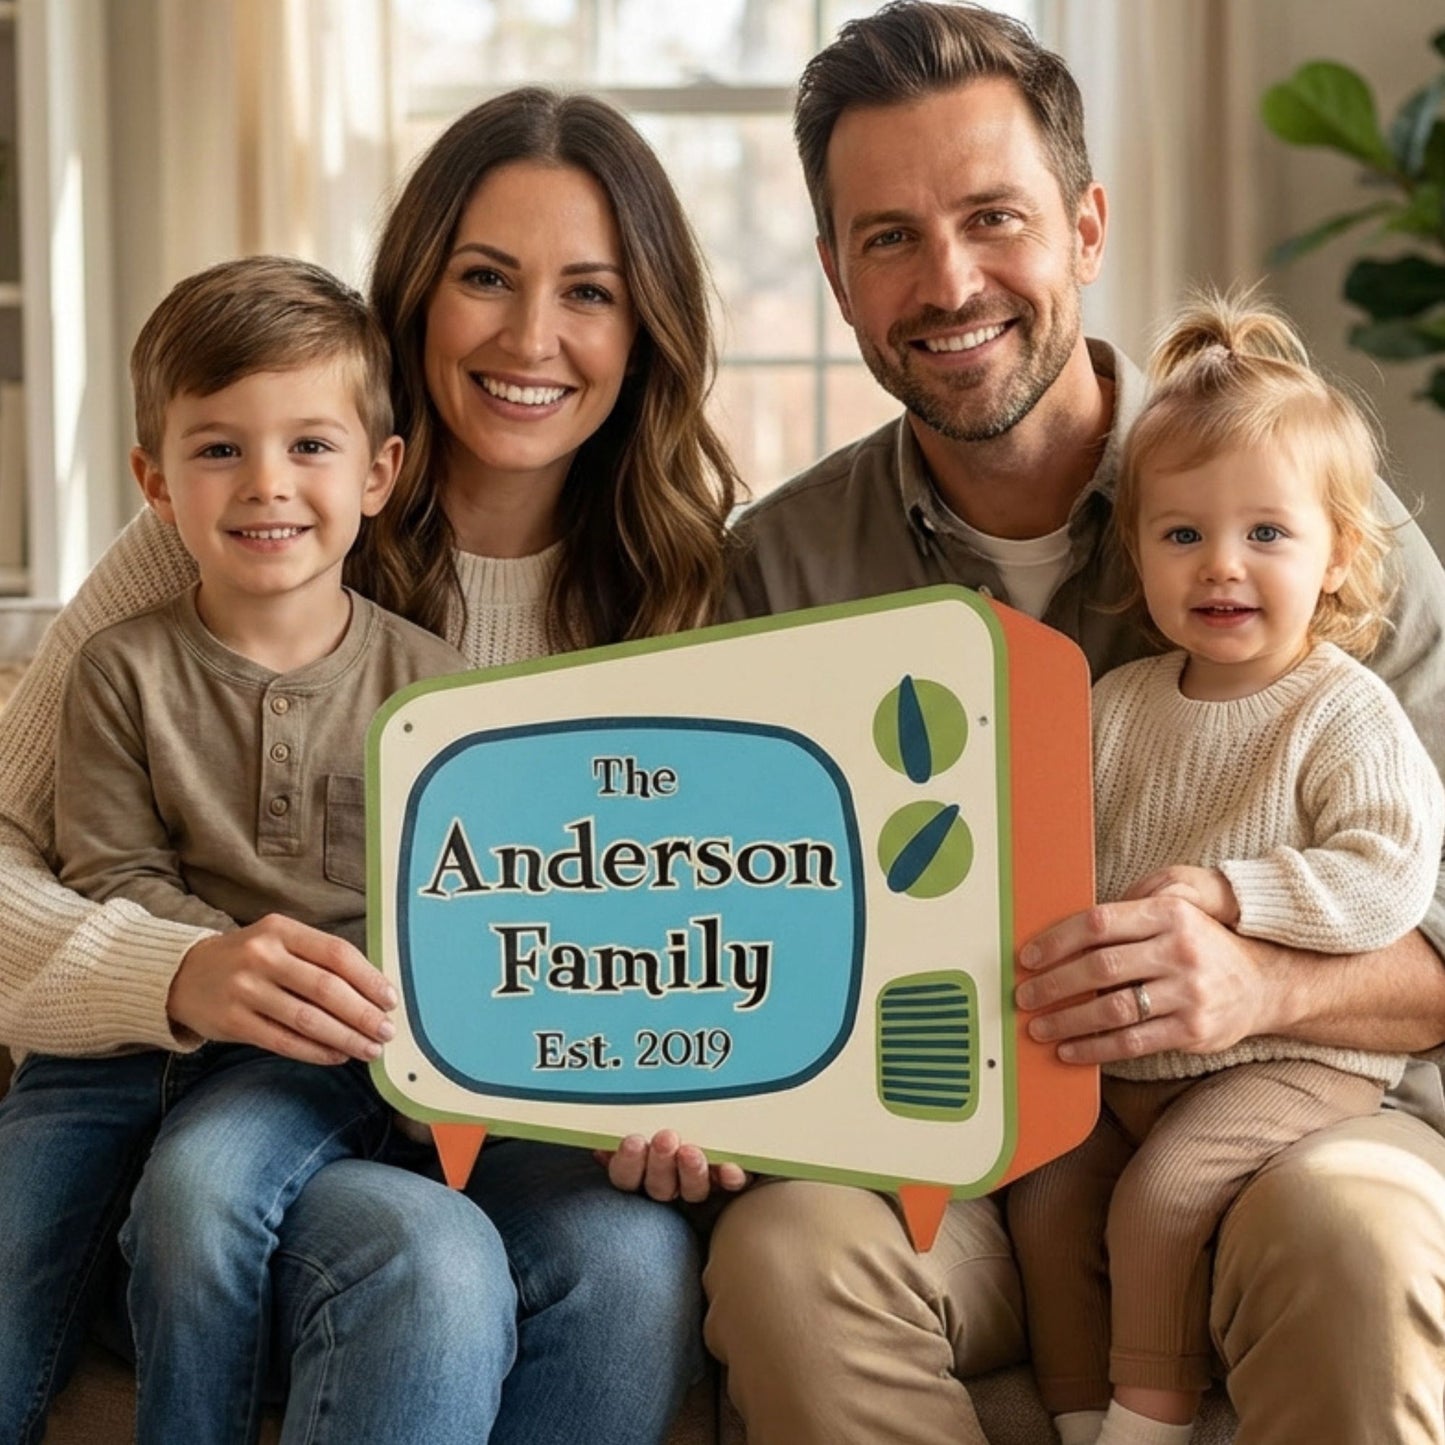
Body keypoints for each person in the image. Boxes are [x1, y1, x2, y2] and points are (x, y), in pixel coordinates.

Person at [695, 6, 1445, 1444]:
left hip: (1291, 1128)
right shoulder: (779, 572)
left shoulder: (1313, 523)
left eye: (994, 217)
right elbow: (739, 934)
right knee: (788, 1253)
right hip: (962, 1160)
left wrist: (1260, 982)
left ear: (1086, 227)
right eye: (889, 237)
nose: (949, 281)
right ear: (836, 276)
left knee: (1356, 1242)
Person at [0, 87, 739, 1445]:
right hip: (258, 1093)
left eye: (588, 291)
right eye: (485, 278)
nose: (531, 337)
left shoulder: (688, 588)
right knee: (425, 1259)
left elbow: (693, 929)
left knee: (634, 1265)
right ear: (417, 293)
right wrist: (174, 968)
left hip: (513, 1113)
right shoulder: (241, 519)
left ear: (645, 331)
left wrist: (693, 1089)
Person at [10, 255, 468, 1442]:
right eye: (219, 448)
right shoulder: (118, 668)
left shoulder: (433, 689)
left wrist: (310, 1000)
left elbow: (440, 912)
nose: (267, 482)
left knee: (202, 1189)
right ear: (155, 483)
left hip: (314, 1056)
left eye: (310, 445)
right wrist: (218, 965)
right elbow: (110, 873)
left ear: (378, 473)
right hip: (109, 1050)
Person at [1005, 290, 1445, 1445]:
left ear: (1336, 552)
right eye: (1181, 535)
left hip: (1294, 1060)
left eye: (1265, 534)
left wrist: (1228, 893)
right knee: (1046, 1194)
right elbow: (1052, 861)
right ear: (1137, 550)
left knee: (1159, 1196)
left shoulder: (1342, 711)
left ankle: (1145, 1419)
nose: (1220, 566)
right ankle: (1077, 1413)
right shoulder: (1113, 706)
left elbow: (1390, 872)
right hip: (1129, 1062)